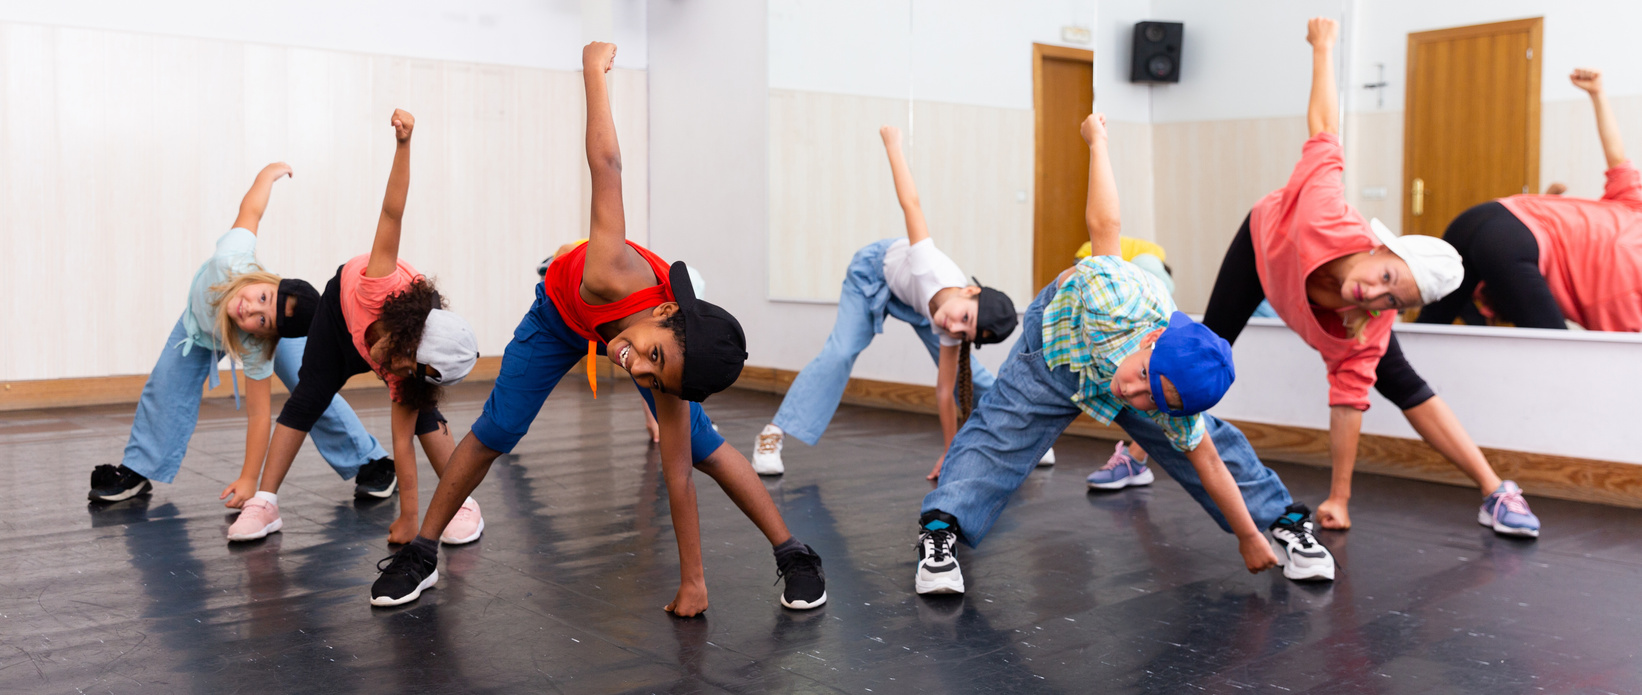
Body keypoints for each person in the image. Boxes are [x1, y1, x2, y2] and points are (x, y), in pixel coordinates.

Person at [367, 42, 827, 614]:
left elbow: (676, 475)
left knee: (701, 448)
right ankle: (422, 553)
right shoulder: (614, 270)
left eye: (655, 379)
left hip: (617, 327)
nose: (636, 367)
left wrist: (694, 583)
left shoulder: (670, 367)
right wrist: (592, 72)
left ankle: (793, 553)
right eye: (652, 358)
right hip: (559, 314)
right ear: (663, 314)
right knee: (496, 429)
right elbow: (606, 163)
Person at [915, 111, 1336, 597]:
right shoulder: (1115, 299)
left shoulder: (1163, 397)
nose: (1130, 391)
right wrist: (1097, 141)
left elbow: (1210, 465)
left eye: (1151, 398)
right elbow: (1105, 222)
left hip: (1126, 364)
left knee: (1210, 443)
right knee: (999, 433)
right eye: (1141, 379)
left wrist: (1247, 536)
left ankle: (1283, 521)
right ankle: (939, 531)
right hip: (1056, 348)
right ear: (1149, 342)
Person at [1200, 17, 1540, 538]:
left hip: (1311, 295)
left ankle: (1495, 491)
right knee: (1209, 345)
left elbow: (1346, 404)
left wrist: (1339, 497)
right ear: (1381, 247)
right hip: (1266, 239)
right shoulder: (1325, 211)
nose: (1374, 292)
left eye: (1390, 299)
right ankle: (1133, 452)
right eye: (1385, 275)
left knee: (1400, 380)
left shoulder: (1365, 326)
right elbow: (1323, 127)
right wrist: (1323, 46)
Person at [229, 108, 484, 546]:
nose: (390, 369)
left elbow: (401, 446)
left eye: (403, 370)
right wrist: (404, 146)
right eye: (397, 360)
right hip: (339, 313)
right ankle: (265, 503)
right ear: (402, 333)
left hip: (392, 340)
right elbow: (392, 211)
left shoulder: (408, 370)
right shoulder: (379, 284)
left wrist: (410, 518)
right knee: (310, 394)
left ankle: (462, 504)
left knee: (423, 418)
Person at [88, 163, 396, 506]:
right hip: (200, 326)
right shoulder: (232, 257)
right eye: (260, 297)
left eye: (261, 315)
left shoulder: (257, 339)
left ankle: (372, 462)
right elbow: (251, 209)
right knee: (166, 386)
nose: (249, 309)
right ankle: (137, 469)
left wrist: (250, 479)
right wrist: (266, 176)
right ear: (262, 280)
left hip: (269, 331)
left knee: (308, 384)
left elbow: (259, 414)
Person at [754, 125, 1038, 481]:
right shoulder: (929, 265)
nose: (955, 327)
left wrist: (949, 451)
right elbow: (911, 202)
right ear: (969, 291)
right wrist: (893, 146)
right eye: (964, 318)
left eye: (966, 331)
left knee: (971, 374)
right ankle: (773, 433)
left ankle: (1022, 435)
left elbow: (945, 390)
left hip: (918, 303)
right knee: (840, 352)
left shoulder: (951, 323)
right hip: (873, 274)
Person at [1418, 68, 1642, 333]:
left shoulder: (1635, 206)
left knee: (1428, 330)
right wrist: (1598, 93)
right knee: (1557, 354)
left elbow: (1617, 157)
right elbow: (1613, 355)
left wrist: (1598, 94)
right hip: (1512, 245)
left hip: (1482, 216)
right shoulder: (1629, 310)